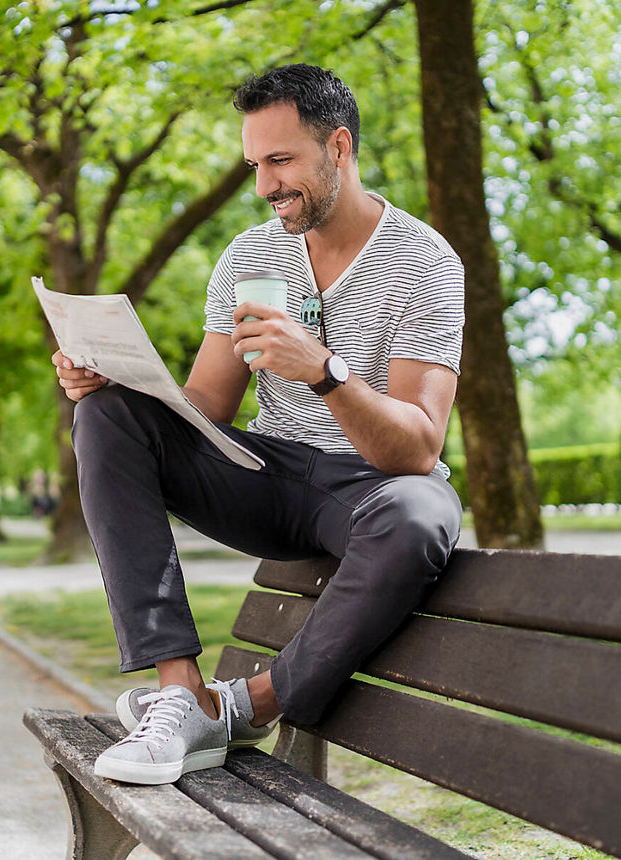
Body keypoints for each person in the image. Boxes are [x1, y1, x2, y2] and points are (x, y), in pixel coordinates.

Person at [52, 64, 464, 786]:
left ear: (338, 148)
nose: (265, 185)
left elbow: (418, 447)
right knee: (109, 415)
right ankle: (179, 691)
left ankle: (242, 706)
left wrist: (325, 371)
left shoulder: (424, 262)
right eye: (254, 165)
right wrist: (116, 382)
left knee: (421, 514)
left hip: (370, 490)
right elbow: (206, 407)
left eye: (281, 161)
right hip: (268, 478)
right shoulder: (249, 255)